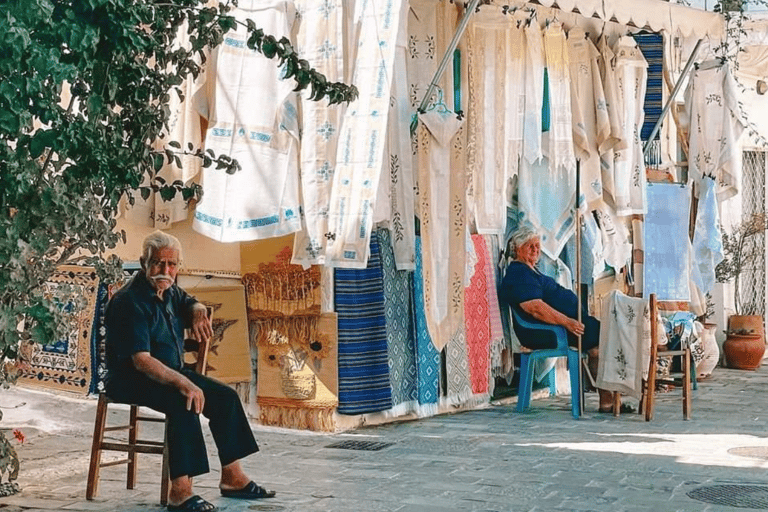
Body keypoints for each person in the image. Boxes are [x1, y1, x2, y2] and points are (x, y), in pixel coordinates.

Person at [105, 231, 274, 512]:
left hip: (170, 373)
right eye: (158, 263)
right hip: (130, 379)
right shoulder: (129, 301)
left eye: (172, 265)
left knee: (225, 397)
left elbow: (189, 301)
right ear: (143, 262)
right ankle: (180, 492)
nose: (165, 270)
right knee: (184, 402)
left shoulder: (170, 290)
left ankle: (233, 478)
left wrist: (197, 310)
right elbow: (142, 361)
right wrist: (184, 383)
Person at [498, 226, 629, 413]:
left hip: (562, 327)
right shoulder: (519, 273)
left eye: (537, 246)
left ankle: (608, 401)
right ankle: (616, 395)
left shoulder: (530, 270)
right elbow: (534, 308)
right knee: (610, 333)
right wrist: (567, 322)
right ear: (518, 249)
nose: (536, 250)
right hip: (546, 332)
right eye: (530, 247)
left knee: (599, 345)